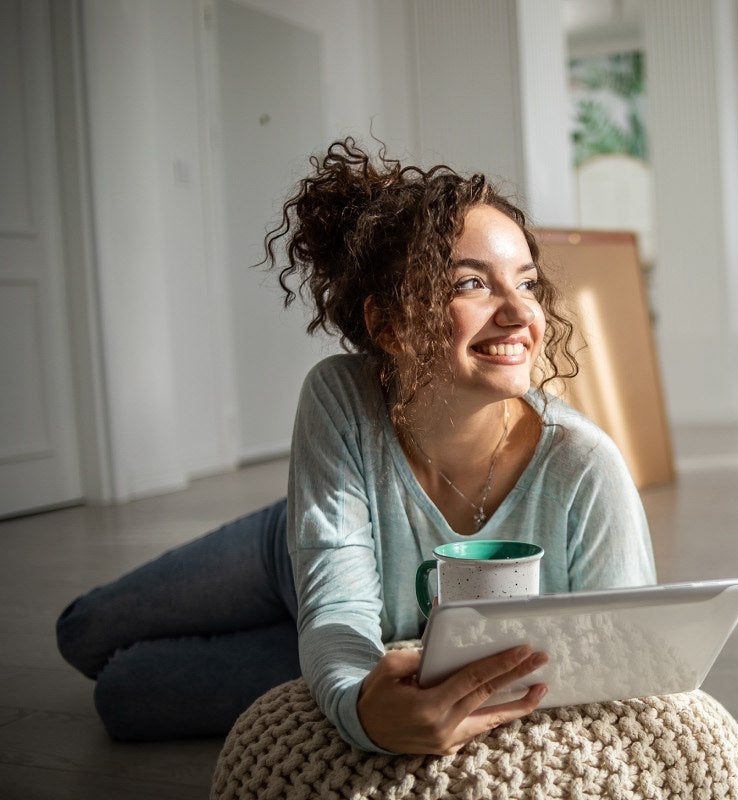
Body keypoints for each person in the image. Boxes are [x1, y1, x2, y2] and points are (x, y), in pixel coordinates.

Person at [56, 138, 656, 755]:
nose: (518, 313)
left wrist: (355, 685)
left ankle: (300, 644)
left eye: (527, 284)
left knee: (123, 695)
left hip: (386, 637)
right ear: (389, 325)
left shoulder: (584, 466)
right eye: (473, 283)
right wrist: (357, 712)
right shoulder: (339, 395)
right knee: (82, 632)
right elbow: (338, 598)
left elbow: (624, 661)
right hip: (301, 547)